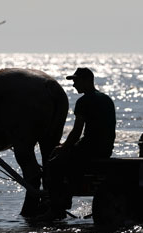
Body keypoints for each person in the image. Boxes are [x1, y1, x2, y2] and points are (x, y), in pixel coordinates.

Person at [41, 67, 116, 220]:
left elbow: (76, 131)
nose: (74, 85)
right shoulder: (106, 99)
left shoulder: (83, 101)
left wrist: (63, 147)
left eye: (76, 81)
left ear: (87, 81)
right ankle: (64, 196)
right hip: (106, 148)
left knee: (54, 164)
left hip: (90, 148)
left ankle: (57, 208)